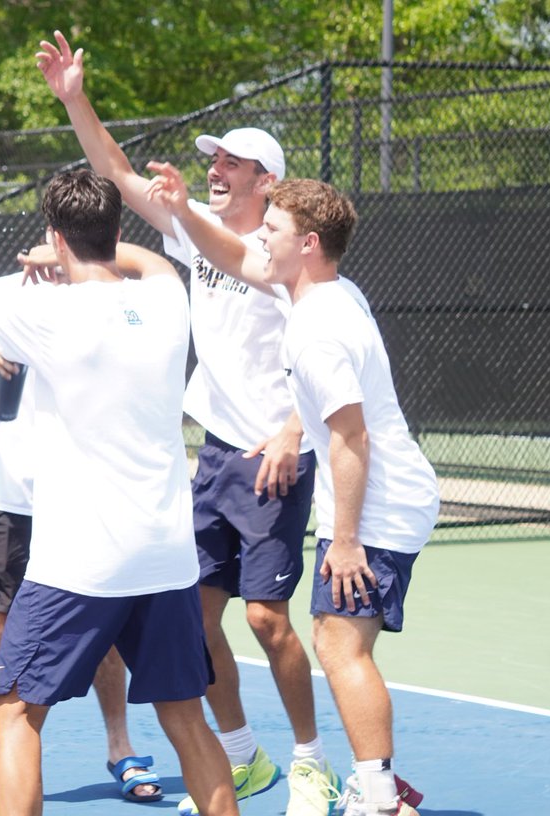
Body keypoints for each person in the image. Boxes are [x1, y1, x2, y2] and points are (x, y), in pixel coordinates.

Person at [37, 30, 333, 816]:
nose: (215, 165)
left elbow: (327, 355)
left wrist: (295, 431)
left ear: (266, 179)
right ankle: (245, 758)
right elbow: (116, 173)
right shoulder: (192, 227)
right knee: (197, 622)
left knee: (268, 619)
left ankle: (310, 761)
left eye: (231, 160)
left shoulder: (282, 259)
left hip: (276, 458)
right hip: (217, 460)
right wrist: (74, 97)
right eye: (215, 157)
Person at [0, 168, 238, 816]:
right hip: (167, 555)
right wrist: (99, 244)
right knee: (185, 715)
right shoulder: (170, 300)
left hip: (82, 561)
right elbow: (145, 261)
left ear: (55, 238)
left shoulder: (45, 311)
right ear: (117, 232)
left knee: (16, 709)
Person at [148, 169, 433, 816]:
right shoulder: (332, 295)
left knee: (337, 642)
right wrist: (186, 214)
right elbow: (233, 254)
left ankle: (379, 796)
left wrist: (349, 539)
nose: (259, 237)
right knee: (340, 638)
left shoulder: (315, 330)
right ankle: (378, 784)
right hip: (384, 496)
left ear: (307, 244)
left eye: (272, 229)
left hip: (379, 503)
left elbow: (351, 437)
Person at [0, 248, 175, 810]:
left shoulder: (99, 302)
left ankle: (120, 747)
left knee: (106, 624)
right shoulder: (2, 295)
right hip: (12, 500)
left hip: (82, 502)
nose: (49, 255)